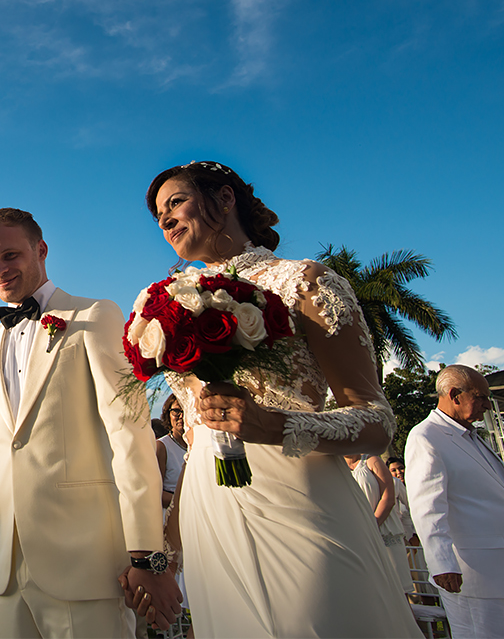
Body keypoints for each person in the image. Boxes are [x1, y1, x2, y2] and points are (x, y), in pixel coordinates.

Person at [142, 161, 420, 638]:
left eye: (176, 202)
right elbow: (196, 438)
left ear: (225, 199)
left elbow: (377, 421)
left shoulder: (306, 282)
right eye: (158, 215)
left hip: (302, 501)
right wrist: (168, 556)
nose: (164, 219)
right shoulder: (165, 304)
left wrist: (274, 426)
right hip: (213, 514)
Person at [0, 208, 179, 638]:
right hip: (6, 576)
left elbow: (130, 441)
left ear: (41, 250)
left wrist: (147, 555)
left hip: (86, 565)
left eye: (10, 255)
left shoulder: (95, 317)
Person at [406, 365, 504, 637]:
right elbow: (427, 505)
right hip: (477, 576)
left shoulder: (473, 436)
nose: (487, 405)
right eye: (481, 397)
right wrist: (442, 563)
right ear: (455, 395)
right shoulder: (426, 437)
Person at [344, 454, 411, 592]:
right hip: (355, 538)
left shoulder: (371, 461)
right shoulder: (335, 468)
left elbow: (388, 497)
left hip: (384, 532)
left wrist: (372, 525)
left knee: (397, 590)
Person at [156, 395, 187, 509]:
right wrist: (188, 502)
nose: (182, 416)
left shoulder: (197, 445)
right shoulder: (162, 446)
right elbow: (156, 493)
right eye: (176, 411)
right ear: (168, 414)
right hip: (172, 512)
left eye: (186, 410)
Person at [388, 456, 419, 545]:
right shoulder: (392, 492)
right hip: (402, 537)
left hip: (417, 535)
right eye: (393, 470)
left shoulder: (416, 488)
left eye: (401, 468)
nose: (398, 472)